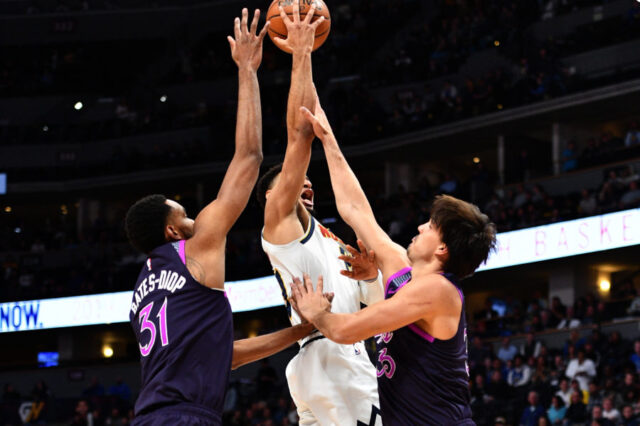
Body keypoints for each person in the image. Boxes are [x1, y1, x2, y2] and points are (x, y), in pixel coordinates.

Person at [124, 10, 315, 426]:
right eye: (186, 215)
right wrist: (247, 69)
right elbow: (249, 157)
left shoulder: (141, 293)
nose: (198, 219)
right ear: (173, 231)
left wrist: (301, 332)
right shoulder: (194, 248)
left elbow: (223, 356)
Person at [290, 95, 497, 424]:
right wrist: (328, 140)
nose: (418, 226)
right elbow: (356, 212)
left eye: (429, 226)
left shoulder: (439, 291)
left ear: (442, 249)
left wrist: (319, 315)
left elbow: (348, 331)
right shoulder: (404, 273)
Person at [256, 3, 383, 425]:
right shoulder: (279, 222)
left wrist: (370, 278)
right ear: (274, 195)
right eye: (296, 183)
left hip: (322, 360)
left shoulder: (329, 239)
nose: (306, 184)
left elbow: (371, 306)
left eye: (310, 184)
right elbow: (301, 132)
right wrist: (302, 54)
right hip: (334, 359)